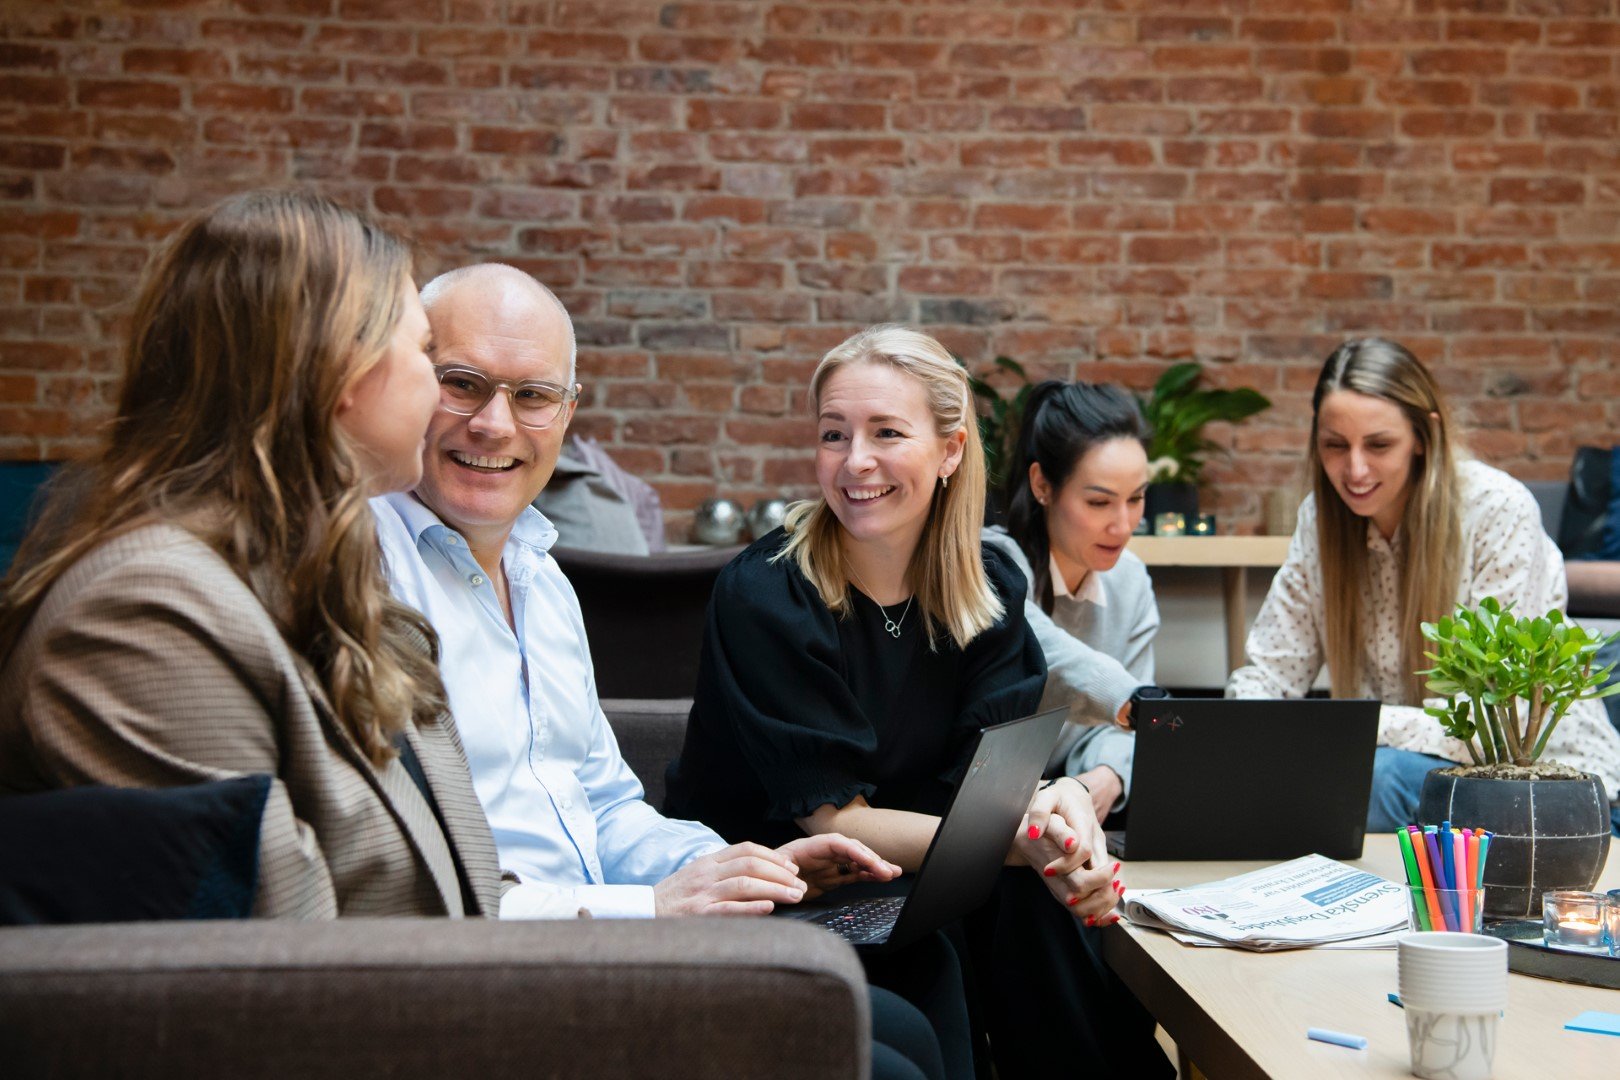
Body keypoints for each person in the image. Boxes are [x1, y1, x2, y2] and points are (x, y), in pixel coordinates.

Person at [371, 265, 945, 1080]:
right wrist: (651, 907)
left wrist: (732, 867)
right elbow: (408, 881)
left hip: (611, 938)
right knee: (884, 1056)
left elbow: (603, 803)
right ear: (411, 384)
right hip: (492, 969)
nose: (496, 424)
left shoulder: (543, 579)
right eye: (463, 384)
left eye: (533, 396)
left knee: (909, 1008)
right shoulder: (366, 570)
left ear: (568, 414)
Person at [664, 325, 1172, 1080]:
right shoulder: (767, 594)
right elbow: (836, 819)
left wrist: (1063, 815)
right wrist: (1030, 836)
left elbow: (995, 784)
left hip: (927, 875)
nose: (855, 461)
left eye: (887, 433)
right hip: (787, 881)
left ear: (951, 451)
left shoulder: (991, 591)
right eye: (834, 434)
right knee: (1020, 883)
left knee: (1049, 899)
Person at [0, 190, 503, 916]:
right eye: (424, 350)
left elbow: (454, 889)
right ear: (337, 368)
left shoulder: (319, 574)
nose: (440, 384)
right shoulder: (147, 618)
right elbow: (272, 975)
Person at [1226, 338, 1620, 833]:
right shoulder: (1319, 519)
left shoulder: (1497, 510)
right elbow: (1268, 673)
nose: (1354, 470)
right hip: (1401, 773)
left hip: (1553, 795)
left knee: (1376, 777)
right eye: (1334, 445)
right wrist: (1240, 735)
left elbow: (1496, 724)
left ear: (1423, 435)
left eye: (1378, 444)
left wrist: (1346, 729)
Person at [982, 381, 1161, 823]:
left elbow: (1118, 731)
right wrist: (1132, 698)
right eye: (1099, 501)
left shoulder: (1131, 579)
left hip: (1072, 814)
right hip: (981, 808)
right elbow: (1044, 651)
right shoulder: (992, 560)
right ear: (1042, 484)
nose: (1123, 525)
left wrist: (1106, 778)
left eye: (1136, 498)